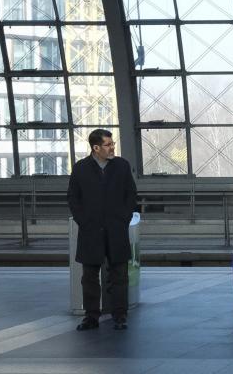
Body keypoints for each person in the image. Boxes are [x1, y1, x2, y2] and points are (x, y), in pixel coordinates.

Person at [67, 129, 137, 331]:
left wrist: (124, 218)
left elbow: (130, 194)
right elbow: (73, 197)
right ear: (95, 148)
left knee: (120, 274)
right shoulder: (81, 168)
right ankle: (91, 317)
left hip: (116, 229)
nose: (112, 147)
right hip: (91, 231)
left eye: (112, 143)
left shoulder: (122, 166)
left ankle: (120, 315)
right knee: (89, 276)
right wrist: (83, 221)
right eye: (108, 144)